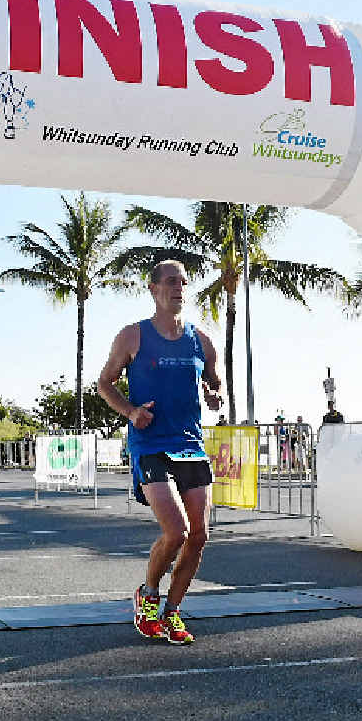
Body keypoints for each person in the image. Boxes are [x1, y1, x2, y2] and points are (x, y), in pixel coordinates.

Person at [97, 259, 223, 645]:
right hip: (150, 445)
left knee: (199, 536)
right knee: (177, 530)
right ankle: (148, 594)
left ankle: (173, 613)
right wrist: (131, 411)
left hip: (190, 445)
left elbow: (215, 383)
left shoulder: (201, 340)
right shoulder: (132, 336)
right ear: (153, 289)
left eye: (183, 282)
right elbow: (105, 383)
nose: (178, 288)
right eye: (170, 282)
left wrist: (215, 394)